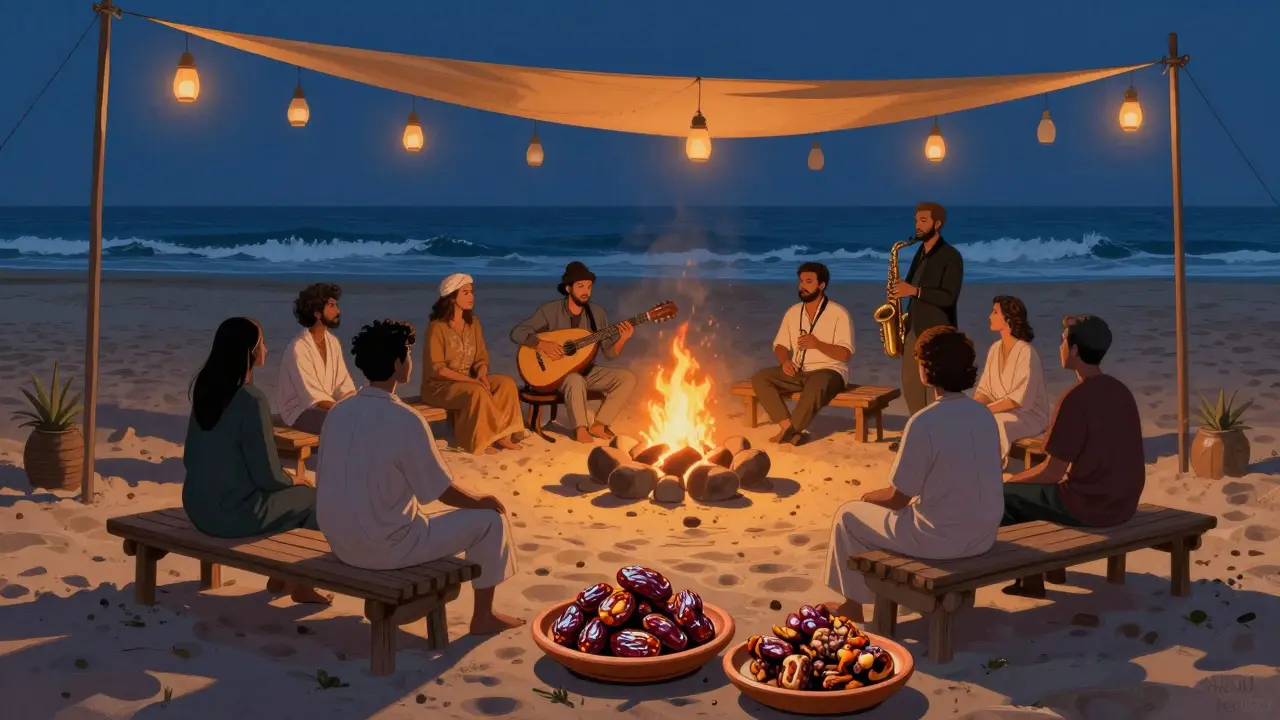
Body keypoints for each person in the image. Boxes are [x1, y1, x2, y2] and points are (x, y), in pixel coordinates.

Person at [316, 319, 523, 635]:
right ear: (398, 365)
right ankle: (483, 617)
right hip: (387, 548)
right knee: (490, 520)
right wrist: (481, 501)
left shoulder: (338, 412)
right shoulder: (405, 419)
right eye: (408, 355)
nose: (411, 361)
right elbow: (441, 491)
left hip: (342, 543)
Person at [825, 327, 1003, 623]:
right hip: (983, 535)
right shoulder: (984, 415)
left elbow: (897, 498)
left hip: (939, 540)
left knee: (848, 516)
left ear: (927, 370)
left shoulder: (924, 421)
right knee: (900, 513)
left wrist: (867, 499)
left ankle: (853, 606)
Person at [182, 317, 330, 605]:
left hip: (197, 506)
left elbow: (190, 455)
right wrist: (292, 480)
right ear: (249, 351)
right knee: (312, 500)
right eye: (262, 343)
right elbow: (268, 476)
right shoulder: (251, 400)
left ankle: (281, 575)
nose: (267, 348)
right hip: (232, 515)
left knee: (290, 498)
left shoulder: (205, 390)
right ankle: (302, 583)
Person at [1000, 315, 1145, 596]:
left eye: (1063, 341)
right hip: (1124, 502)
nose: (1060, 347)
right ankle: (1052, 568)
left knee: (1008, 496)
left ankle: (1030, 579)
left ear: (1075, 350)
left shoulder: (1076, 398)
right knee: (1031, 494)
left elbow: (1052, 472)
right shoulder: (1120, 390)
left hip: (1091, 505)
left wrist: (1012, 480)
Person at [509, 261, 637, 443]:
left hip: (587, 371)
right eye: (580, 286)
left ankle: (599, 424)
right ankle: (581, 429)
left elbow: (609, 354)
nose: (586, 291)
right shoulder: (550, 311)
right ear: (568, 288)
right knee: (575, 379)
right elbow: (517, 333)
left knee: (627, 378)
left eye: (589, 286)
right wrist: (541, 344)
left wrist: (622, 339)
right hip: (556, 376)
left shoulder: (597, 313)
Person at [420, 273, 525, 454]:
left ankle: (503, 435)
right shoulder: (437, 327)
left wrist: (482, 374)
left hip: (468, 380)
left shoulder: (473, 323)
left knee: (506, 383)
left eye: (471, 292)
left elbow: (481, 357)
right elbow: (438, 368)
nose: (472, 297)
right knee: (477, 391)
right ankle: (481, 441)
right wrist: (473, 381)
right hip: (439, 386)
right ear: (452, 297)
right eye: (466, 292)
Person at [750, 262, 854, 446]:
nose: (802, 286)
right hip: (798, 371)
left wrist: (817, 344)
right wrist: (785, 361)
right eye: (801, 281)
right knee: (760, 378)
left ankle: (791, 431)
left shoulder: (839, 313)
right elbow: (780, 345)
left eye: (808, 281)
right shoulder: (793, 312)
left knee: (817, 384)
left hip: (830, 371)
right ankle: (788, 429)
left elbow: (845, 355)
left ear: (821, 285)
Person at [892, 202, 964, 421]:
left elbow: (948, 297)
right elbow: (911, 288)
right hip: (914, 327)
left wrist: (914, 290)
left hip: (937, 331)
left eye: (923, 220)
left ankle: (938, 431)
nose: (918, 225)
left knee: (935, 388)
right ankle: (918, 428)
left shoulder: (951, 256)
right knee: (911, 384)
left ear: (937, 223)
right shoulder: (920, 253)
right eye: (916, 220)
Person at [973, 295, 1050, 463]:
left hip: (1029, 416)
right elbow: (984, 390)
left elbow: (1018, 400)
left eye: (995, 312)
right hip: (999, 411)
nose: (989, 316)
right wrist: (975, 407)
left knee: (997, 423)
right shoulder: (995, 349)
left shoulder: (1026, 352)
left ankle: (993, 466)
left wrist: (985, 411)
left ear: (1008, 318)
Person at [276, 283, 358, 434]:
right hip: (299, 412)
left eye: (337, 305)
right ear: (317, 313)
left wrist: (352, 404)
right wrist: (344, 410)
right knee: (344, 425)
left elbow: (343, 383)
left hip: (329, 408)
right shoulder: (298, 347)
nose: (338, 311)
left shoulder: (333, 342)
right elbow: (311, 395)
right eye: (332, 306)